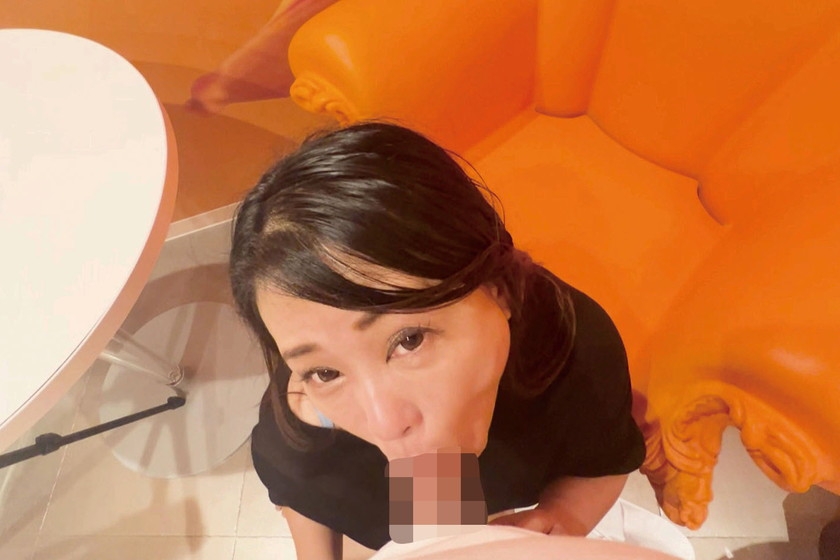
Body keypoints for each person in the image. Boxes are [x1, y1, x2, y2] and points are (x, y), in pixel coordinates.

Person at [229, 122, 646, 560]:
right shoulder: (313, 423)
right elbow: (300, 490)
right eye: (325, 371)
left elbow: (603, 462)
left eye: (409, 340)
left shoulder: (574, 347)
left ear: (498, 287)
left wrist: (564, 515)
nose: (384, 423)